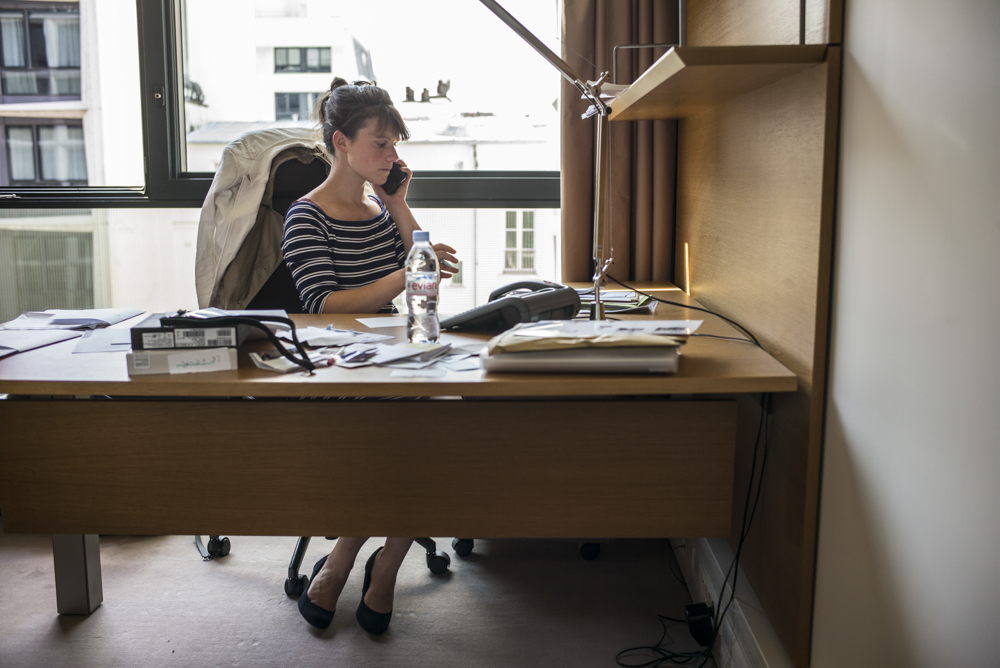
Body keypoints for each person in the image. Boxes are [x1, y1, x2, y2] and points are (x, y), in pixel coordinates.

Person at [282, 78, 459, 635]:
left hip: (399, 359)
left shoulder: (382, 211)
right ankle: (352, 563)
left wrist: (399, 203)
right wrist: (406, 274)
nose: (392, 155)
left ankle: (373, 566)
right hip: (340, 365)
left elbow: (423, 271)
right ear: (341, 141)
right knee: (407, 443)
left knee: (433, 433)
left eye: (395, 145)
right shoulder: (305, 216)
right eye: (380, 144)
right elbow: (323, 305)